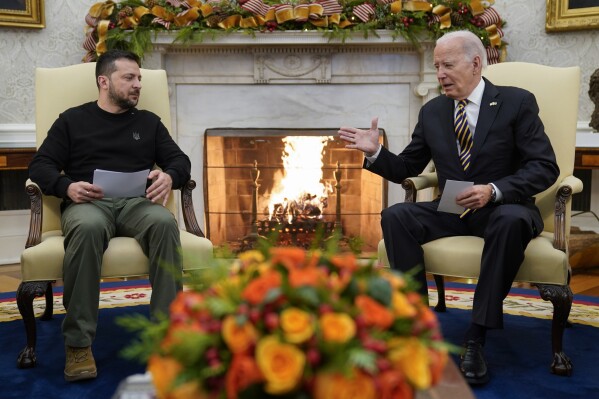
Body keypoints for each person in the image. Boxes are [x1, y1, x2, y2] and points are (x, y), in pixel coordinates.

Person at [338, 30, 559, 385]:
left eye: (447, 64)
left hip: (506, 209)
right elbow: (408, 168)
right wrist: (375, 152)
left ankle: (476, 335)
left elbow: (544, 166)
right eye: (437, 65)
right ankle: (418, 328)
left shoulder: (516, 102)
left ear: (475, 63)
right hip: (452, 210)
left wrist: (494, 190)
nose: (439, 73)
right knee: (397, 216)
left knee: (510, 221)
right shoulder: (433, 111)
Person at [29, 49, 191, 382]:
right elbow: (40, 165)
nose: (137, 85)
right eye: (129, 78)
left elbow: (179, 160)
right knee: (87, 228)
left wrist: (169, 176)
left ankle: (169, 337)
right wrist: (67, 187)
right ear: (105, 82)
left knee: (163, 223)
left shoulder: (148, 123)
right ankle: (78, 344)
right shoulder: (72, 120)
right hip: (89, 204)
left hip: (136, 203)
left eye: (139, 78)